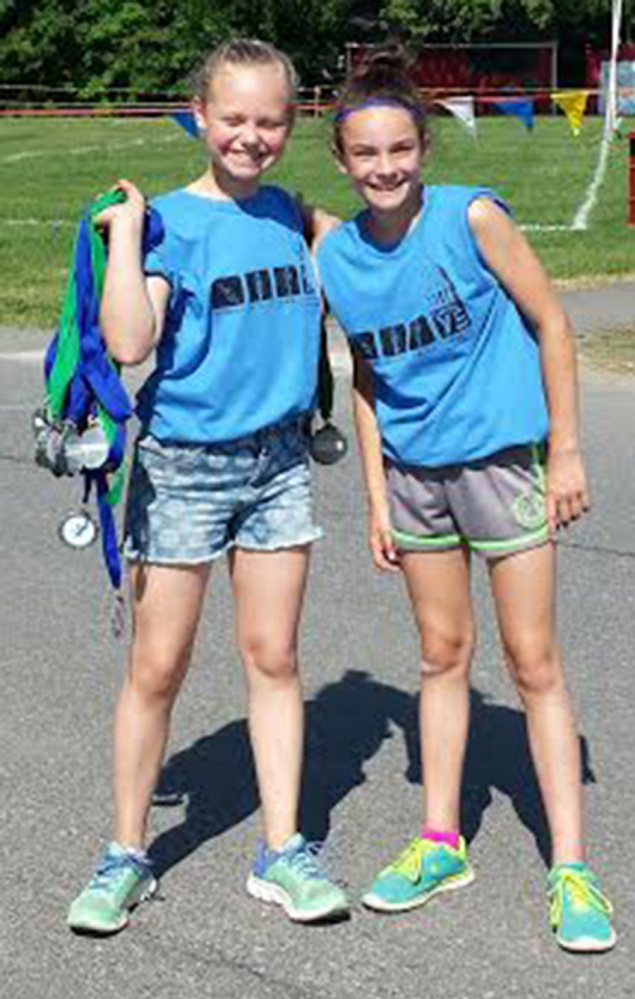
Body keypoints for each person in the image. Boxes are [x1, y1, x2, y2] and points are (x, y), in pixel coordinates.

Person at [315, 49, 616, 952]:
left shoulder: (471, 215)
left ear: (423, 149)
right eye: (365, 154)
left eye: (399, 148)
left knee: (533, 664)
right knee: (441, 655)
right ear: (340, 159)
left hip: (499, 464)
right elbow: (364, 378)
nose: (384, 167)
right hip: (413, 479)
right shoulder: (338, 259)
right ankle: (442, 839)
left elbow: (552, 321)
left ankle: (570, 866)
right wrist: (373, 494)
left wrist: (563, 449)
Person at [67, 37, 348, 935]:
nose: (251, 136)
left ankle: (283, 849)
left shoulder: (293, 217)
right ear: (199, 115)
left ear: (292, 122)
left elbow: (375, 269)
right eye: (233, 118)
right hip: (183, 468)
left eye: (270, 120)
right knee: (157, 666)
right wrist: (125, 236)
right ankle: (124, 853)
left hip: (277, 466)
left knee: (274, 660)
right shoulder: (168, 227)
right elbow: (128, 341)